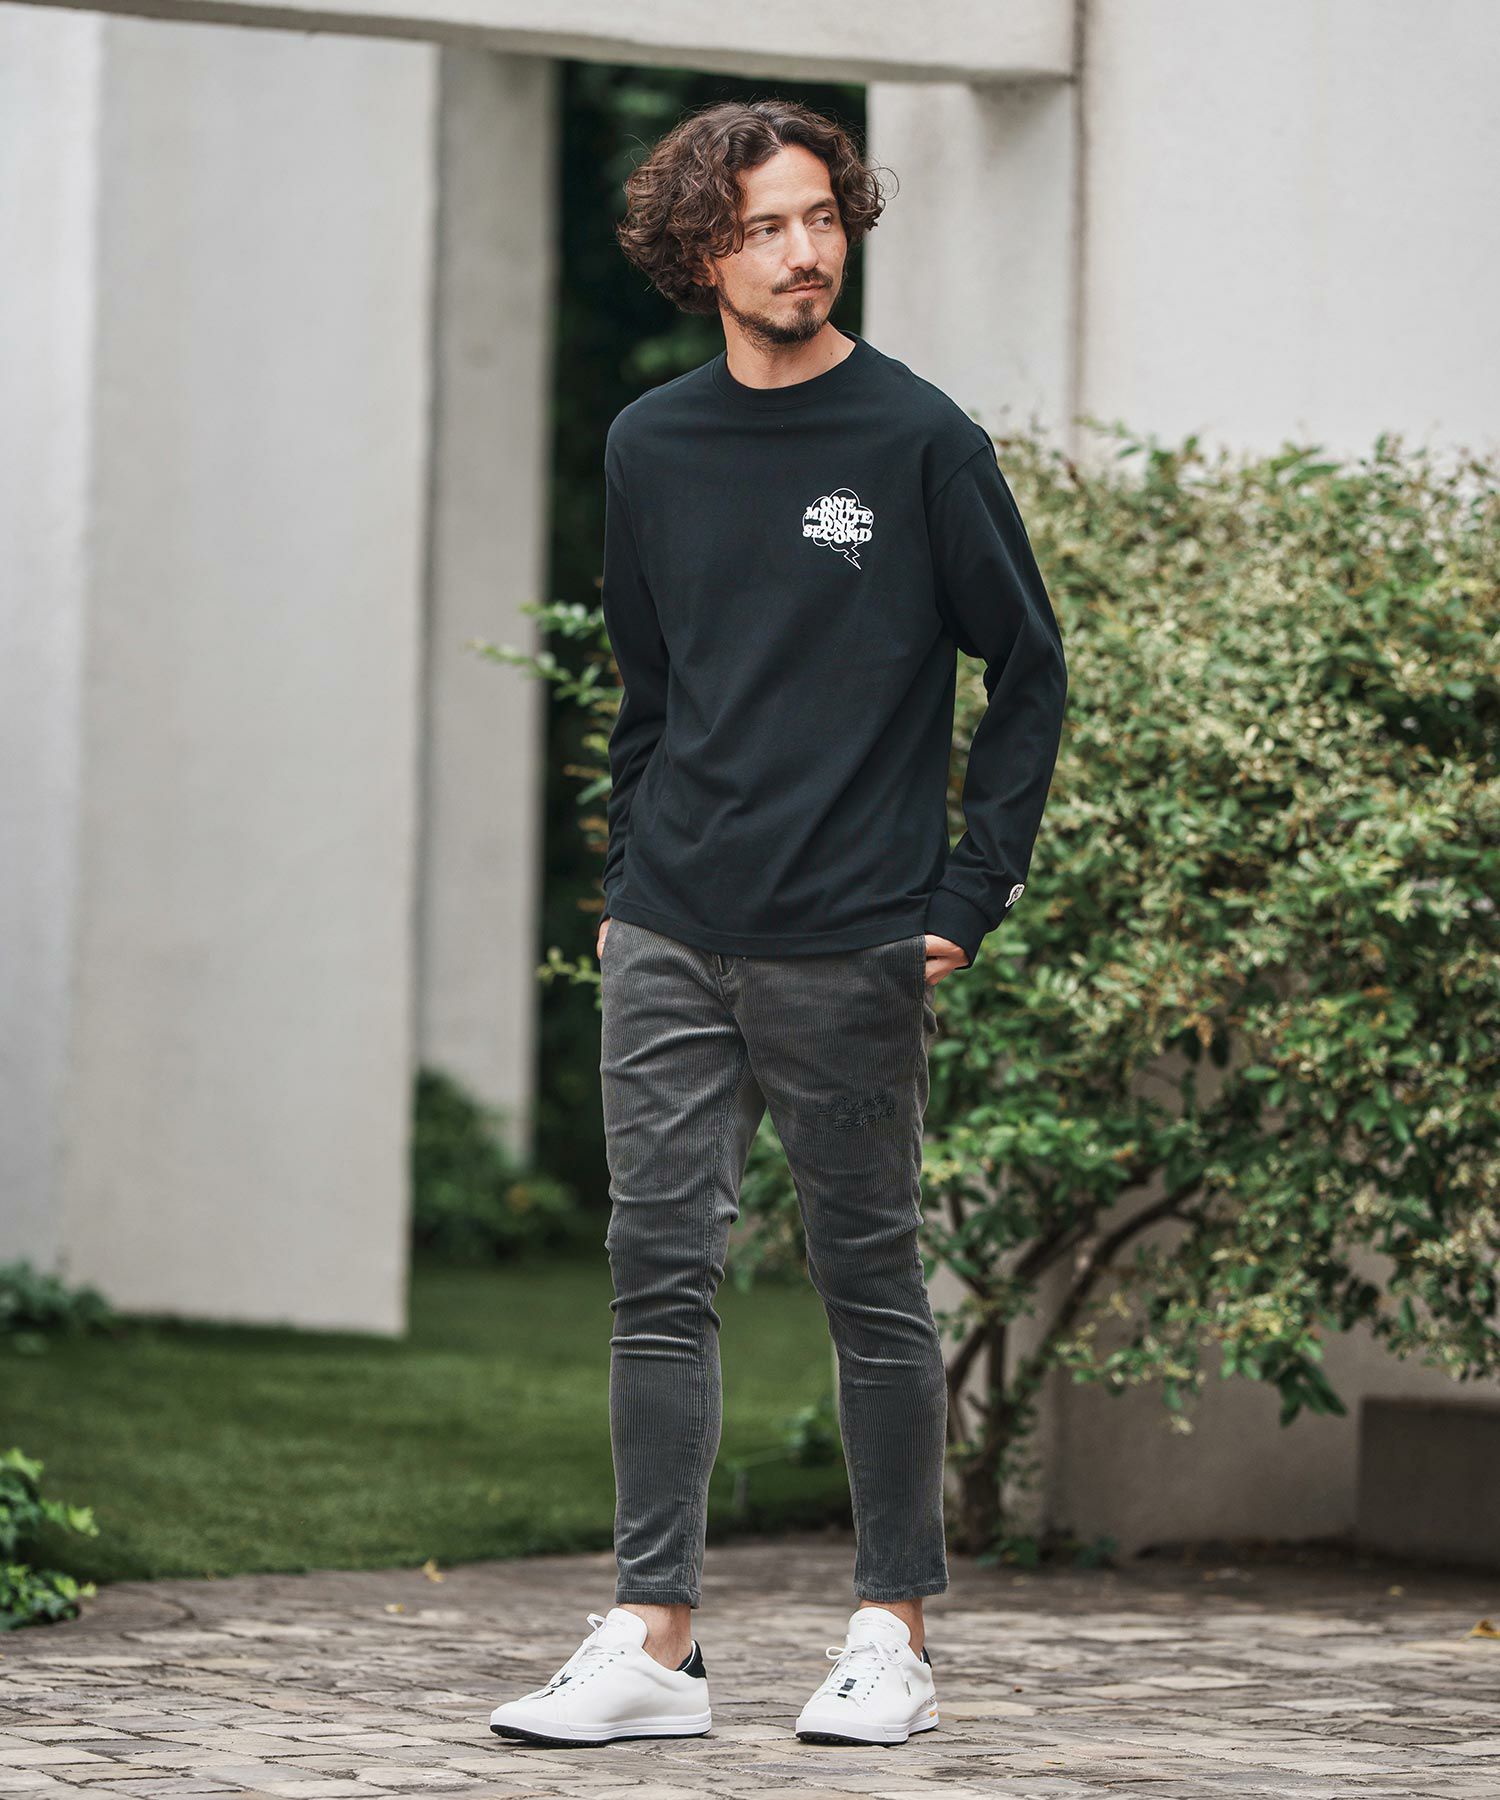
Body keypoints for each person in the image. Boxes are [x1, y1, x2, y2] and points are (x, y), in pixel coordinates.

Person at [490, 96, 1067, 1752]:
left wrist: (970, 891)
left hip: (851, 934)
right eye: (763, 228)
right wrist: (628, 884)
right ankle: (653, 1640)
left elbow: (1029, 671)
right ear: (703, 253)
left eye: (821, 217)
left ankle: (892, 1634)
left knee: (869, 1280)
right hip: (674, 927)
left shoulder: (920, 439)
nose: (803, 252)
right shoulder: (650, 446)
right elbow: (652, 689)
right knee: (656, 1272)